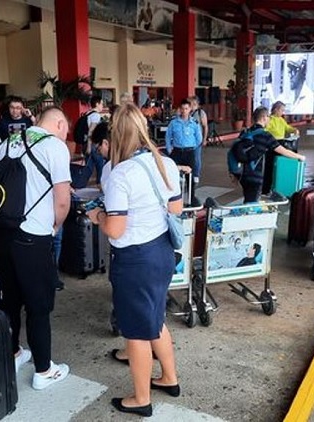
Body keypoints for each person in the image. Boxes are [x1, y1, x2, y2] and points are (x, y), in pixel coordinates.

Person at [87, 103, 182, 418]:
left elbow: (115, 227)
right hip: (162, 251)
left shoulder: (119, 172)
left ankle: (141, 399)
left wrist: (96, 214)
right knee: (155, 319)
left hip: (135, 259)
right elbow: (176, 210)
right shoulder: (165, 161)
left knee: (137, 332)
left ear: (115, 135)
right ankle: (169, 378)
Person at [0, 106, 72, 390]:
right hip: (33, 236)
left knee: (10, 298)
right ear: (59, 123)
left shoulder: (8, 142)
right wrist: (54, 226)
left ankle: (14, 352)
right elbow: (62, 200)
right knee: (39, 305)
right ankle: (43, 370)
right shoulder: (54, 147)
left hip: (2, 232)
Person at [235, 107, 306, 203]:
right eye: (268, 116)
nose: (269, 119)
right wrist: (300, 157)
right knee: (251, 204)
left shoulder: (245, 132)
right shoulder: (265, 135)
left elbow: (235, 150)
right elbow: (283, 151)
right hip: (255, 175)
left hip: (242, 174)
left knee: (248, 198)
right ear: (264, 118)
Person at [165, 99, 202, 206]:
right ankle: (176, 199)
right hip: (176, 152)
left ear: (190, 109)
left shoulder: (194, 123)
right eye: (182, 109)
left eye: (186, 108)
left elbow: (198, 138)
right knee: (173, 176)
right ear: (180, 110)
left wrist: (192, 147)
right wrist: (169, 149)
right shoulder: (174, 123)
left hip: (189, 152)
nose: (184, 111)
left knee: (189, 176)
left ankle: (191, 198)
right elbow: (168, 136)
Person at [263, 101, 300, 195]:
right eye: (281, 110)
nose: (282, 112)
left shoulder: (281, 120)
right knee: (270, 167)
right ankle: (266, 189)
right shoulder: (270, 120)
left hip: (281, 143)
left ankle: (279, 187)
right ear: (276, 109)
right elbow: (265, 131)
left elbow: (287, 128)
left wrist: (294, 130)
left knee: (281, 166)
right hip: (272, 144)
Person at [188, 96, 208, 185]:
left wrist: (204, 139)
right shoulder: (187, 112)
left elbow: (205, 126)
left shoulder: (201, 113)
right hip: (187, 140)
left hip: (197, 140)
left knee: (196, 158)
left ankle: (196, 175)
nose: (190, 105)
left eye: (191, 103)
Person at [85, 96, 106, 180]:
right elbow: (91, 131)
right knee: (100, 165)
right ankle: (99, 184)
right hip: (93, 144)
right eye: (101, 104)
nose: (102, 106)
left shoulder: (88, 114)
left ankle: (81, 183)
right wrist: (89, 146)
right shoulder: (96, 116)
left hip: (87, 142)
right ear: (97, 104)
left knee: (89, 166)